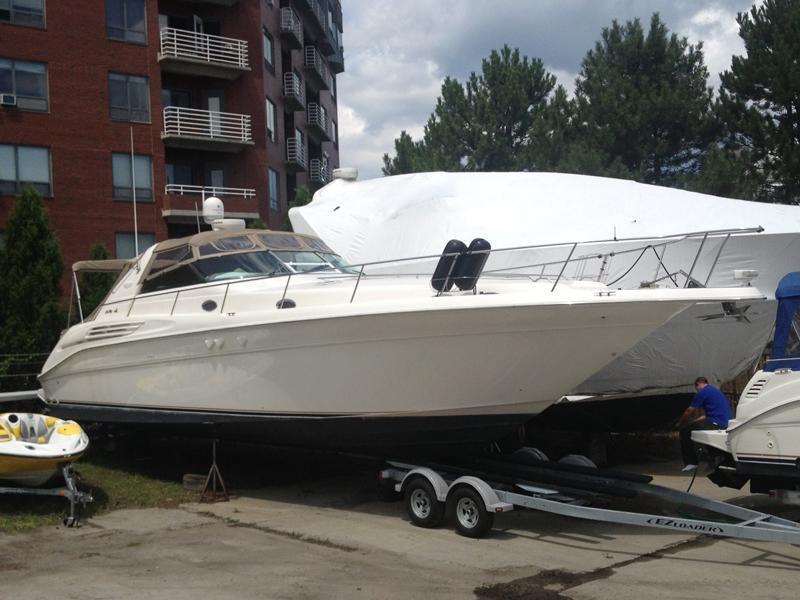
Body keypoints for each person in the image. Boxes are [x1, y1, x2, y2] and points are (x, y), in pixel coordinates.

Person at [676, 377, 732, 472]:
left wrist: (681, 423)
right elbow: (706, 416)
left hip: (716, 421)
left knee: (685, 431)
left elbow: (689, 410)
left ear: (697, 384)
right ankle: (713, 459)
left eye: (696, 387)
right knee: (700, 429)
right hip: (725, 422)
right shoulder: (715, 391)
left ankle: (691, 462)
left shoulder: (702, 393)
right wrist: (693, 423)